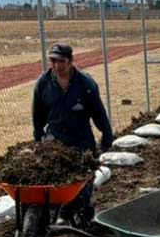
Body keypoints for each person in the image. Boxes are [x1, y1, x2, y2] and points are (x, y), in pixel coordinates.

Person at [32, 43, 114, 225]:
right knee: (53, 181)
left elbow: (98, 112)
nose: (56, 65)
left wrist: (107, 134)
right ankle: (55, 212)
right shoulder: (43, 84)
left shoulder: (86, 84)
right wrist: (38, 139)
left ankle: (78, 209)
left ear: (70, 61)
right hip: (54, 141)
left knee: (83, 184)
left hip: (81, 139)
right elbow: (38, 115)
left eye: (60, 61)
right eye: (52, 61)